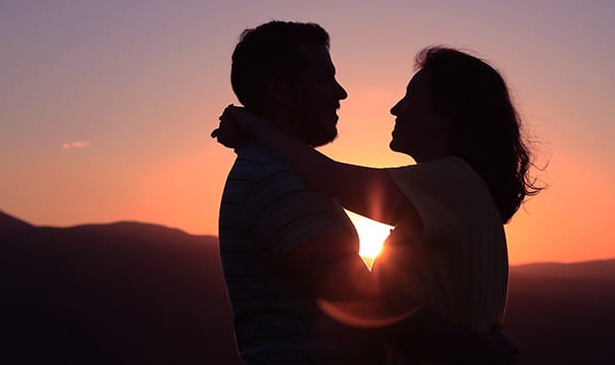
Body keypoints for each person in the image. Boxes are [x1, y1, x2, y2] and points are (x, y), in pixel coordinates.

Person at [215, 20, 518, 365]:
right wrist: (475, 346)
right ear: (279, 91)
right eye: (324, 78)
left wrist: (256, 127)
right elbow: (354, 293)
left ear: (446, 116)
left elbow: (329, 176)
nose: (341, 92)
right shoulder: (274, 178)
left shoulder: (452, 183)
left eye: (410, 98)